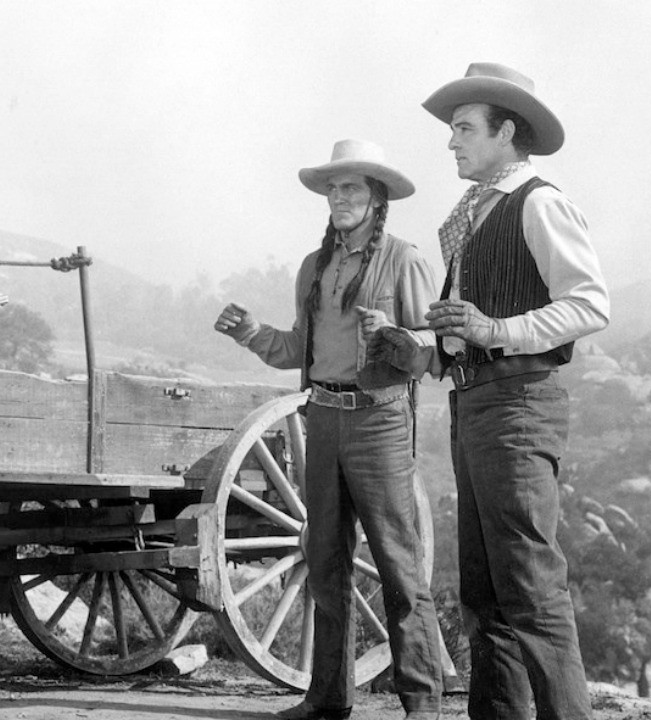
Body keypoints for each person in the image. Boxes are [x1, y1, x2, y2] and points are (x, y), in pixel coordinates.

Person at [215, 139, 442, 720]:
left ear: (377, 198)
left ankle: (422, 705)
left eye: (353, 188)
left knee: (398, 564)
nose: (340, 198)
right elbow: (298, 349)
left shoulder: (406, 260)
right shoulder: (314, 267)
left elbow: (432, 354)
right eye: (334, 189)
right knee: (324, 559)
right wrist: (248, 332)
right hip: (322, 418)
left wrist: (392, 331)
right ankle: (327, 700)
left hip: (380, 422)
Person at [421, 62, 610, 720]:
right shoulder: (473, 213)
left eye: (465, 129)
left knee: (529, 587)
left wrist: (494, 328)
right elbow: (472, 326)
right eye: (452, 130)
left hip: (519, 407)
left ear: (507, 132)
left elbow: (588, 304)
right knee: (486, 594)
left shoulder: (540, 202)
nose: (452, 142)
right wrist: (427, 347)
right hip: (472, 404)